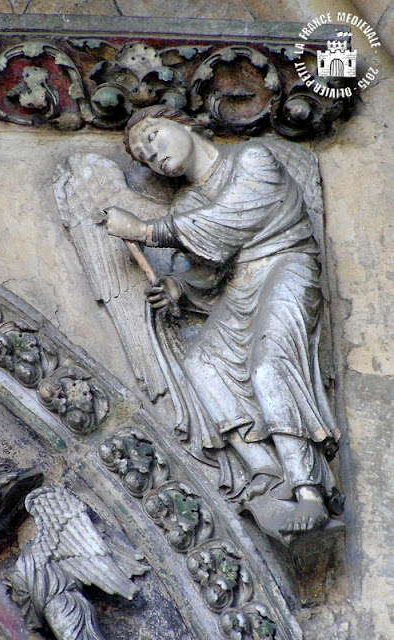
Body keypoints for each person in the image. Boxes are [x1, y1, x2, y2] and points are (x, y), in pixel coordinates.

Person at [104, 105, 343, 535]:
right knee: (200, 363)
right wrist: (179, 287)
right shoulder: (189, 201)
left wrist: (146, 232)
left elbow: (230, 222)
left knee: (269, 365)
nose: (152, 154)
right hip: (240, 284)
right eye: (142, 155)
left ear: (184, 121)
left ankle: (309, 490)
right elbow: (213, 264)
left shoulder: (252, 158)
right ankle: (265, 469)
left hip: (286, 265)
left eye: (153, 136)